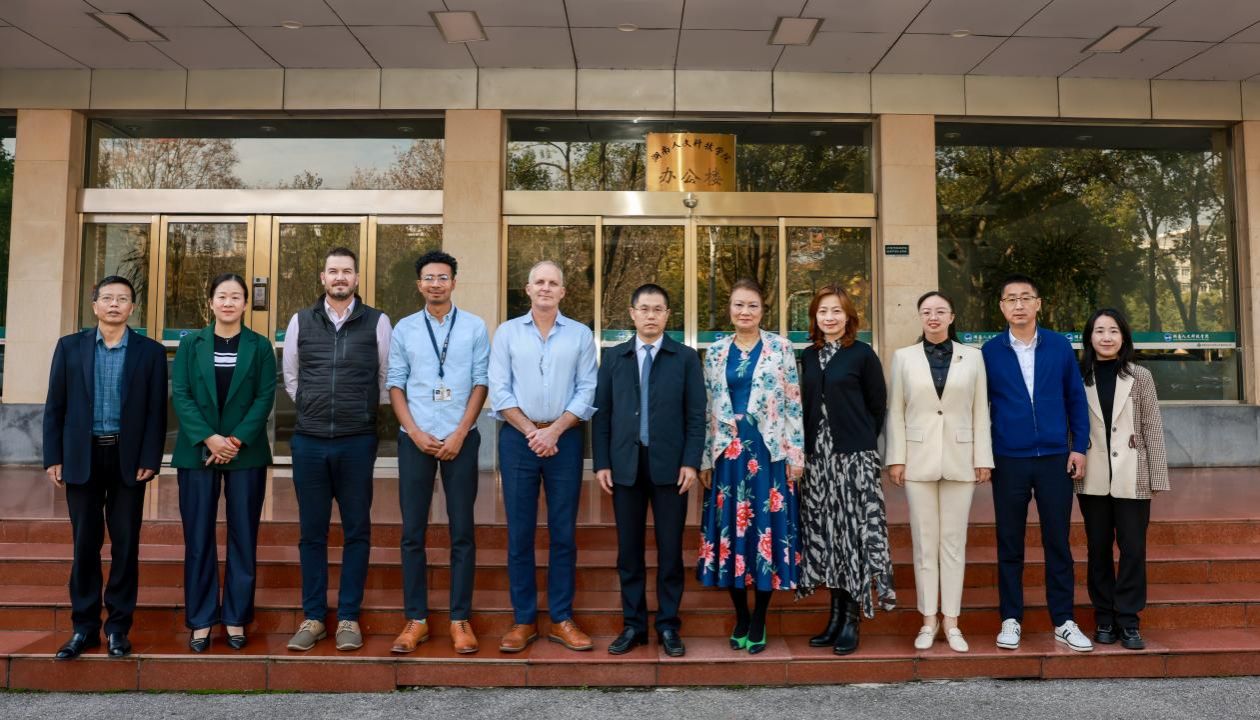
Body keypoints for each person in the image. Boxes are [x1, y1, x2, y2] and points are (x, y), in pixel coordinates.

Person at [43, 275, 167, 660]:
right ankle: (84, 628)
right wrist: (53, 456)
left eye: (123, 299)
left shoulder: (150, 352)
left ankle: (117, 628)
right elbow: (55, 407)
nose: (115, 304)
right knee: (85, 544)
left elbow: (157, 412)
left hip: (128, 461)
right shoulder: (70, 347)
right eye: (108, 298)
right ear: (94, 305)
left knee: (125, 545)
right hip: (82, 457)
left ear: (133, 308)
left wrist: (150, 458)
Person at [282, 247, 392, 653]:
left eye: (347, 271)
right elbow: (291, 377)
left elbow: (385, 377)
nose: (340, 277)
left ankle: (348, 617)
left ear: (357, 278)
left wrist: (360, 410)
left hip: (356, 440)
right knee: (311, 533)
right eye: (333, 271)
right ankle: (313, 617)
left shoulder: (378, 321)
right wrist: (313, 406)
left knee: (356, 531)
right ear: (323, 278)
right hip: (309, 441)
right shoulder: (300, 320)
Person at [489, 260, 598, 653]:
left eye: (553, 283)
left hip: (564, 439)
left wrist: (553, 431)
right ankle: (523, 620)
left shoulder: (580, 334)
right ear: (528, 288)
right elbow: (499, 389)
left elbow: (587, 389)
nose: (546, 288)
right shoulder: (506, 333)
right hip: (518, 439)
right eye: (540, 282)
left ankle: (561, 618)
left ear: (563, 292)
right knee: (520, 533)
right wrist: (533, 431)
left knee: (563, 533)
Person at [981, 274, 1093, 652]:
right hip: (1008, 459)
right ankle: (1010, 619)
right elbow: (980, 408)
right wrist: (983, 455)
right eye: (1011, 299)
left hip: (1054, 459)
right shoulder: (989, 352)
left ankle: (1063, 620)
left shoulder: (1059, 346)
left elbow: (1076, 399)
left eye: (1025, 297)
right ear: (1001, 307)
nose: (1019, 305)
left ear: (1038, 304)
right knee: (1009, 542)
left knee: (1057, 541)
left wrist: (1079, 447)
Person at [593, 283, 705, 658]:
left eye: (658, 309)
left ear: (668, 315)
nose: (651, 316)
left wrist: (691, 461)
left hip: (671, 469)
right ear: (632, 313)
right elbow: (602, 414)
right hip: (625, 466)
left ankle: (669, 625)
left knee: (670, 551)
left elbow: (696, 416)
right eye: (644, 309)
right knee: (629, 552)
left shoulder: (685, 358)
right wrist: (602, 462)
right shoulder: (614, 358)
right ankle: (634, 625)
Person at [386, 250, 490, 655]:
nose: (435, 284)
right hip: (415, 439)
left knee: (462, 531)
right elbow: (395, 384)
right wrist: (414, 432)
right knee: (412, 532)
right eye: (428, 278)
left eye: (442, 277)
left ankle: (459, 618)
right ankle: (416, 619)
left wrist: (461, 432)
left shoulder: (474, 327)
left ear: (453, 282)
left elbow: (481, 382)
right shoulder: (405, 328)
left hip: (460, 439)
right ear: (419, 284)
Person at [697, 278, 804, 655]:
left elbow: (793, 403)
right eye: (738, 305)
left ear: (763, 310)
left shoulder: (781, 348)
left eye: (752, 305)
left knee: (765, 533)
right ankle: (741, 616)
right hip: (727, 455)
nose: (745, 312)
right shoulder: (715, 351)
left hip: (768, 454)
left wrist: (795, 455)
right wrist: (705, 457)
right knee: (730, 533)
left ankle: (759, 619)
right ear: (730, 309)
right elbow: (707, 407)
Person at [170, 273, 277, 652]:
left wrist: (234, 440)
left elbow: (264, 397)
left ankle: (235, 617)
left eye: (235, 297)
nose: (228, 303)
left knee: (243, 536)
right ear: (211, 302)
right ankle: (201, 621)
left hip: (245, 452)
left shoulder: (260, 346)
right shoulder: (190, 344)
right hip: (196, 450)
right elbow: (181, 394)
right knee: (198, 537)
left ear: (246, 303)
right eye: (221, 296)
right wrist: (209, 438)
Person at [886, 291, 993, 654]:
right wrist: (896, 458)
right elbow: (895, 410)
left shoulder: (973, 357)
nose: (933, 317)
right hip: (917, 459)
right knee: (924, 542)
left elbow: (981, 410)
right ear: (920, 317)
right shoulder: (903, 357)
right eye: (927, 311)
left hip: (961, 458)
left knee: (953, 543)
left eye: (940, 311)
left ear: (951, 316)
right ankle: (928, 620)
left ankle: (952, 621)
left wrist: (983, 457)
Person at [798, 286, 892, 656]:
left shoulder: (862, 354)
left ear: (848, 315)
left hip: (854, 460)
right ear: (815, 317)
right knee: (828, 537)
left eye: (836, 310)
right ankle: (835, 617)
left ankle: (852, 620)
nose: (830, 317)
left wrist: (861, 441)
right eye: (823, 311)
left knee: (853, 537)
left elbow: (877, 405)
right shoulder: (808, 356)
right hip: (817, 462)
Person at [1077, 308, 1169, 650]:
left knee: (1133, 548)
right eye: (1099, 330)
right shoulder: (1078, 375)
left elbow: (1152, 426)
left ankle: (1129, 620)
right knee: (1098, 548)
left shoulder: (1140, 376)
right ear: (1090, 337)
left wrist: (1157, 476)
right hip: (1093, 474)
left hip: (1134, 472)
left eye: (1113, 331)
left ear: (1123, 337)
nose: (1106, 337)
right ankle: (1104, 616)